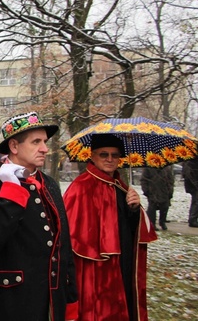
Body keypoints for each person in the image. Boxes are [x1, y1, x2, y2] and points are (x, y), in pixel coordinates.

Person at [0, 112, 78, 321]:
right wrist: (11, 189)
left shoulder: (50, 184)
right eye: (36, 142)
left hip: (47, 300)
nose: (45, 149)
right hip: (4, 303)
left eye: (45, 142)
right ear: (14, 146)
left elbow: (63, 244)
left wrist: (70, 296)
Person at [63, 133, 157, 321]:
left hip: (123, 261)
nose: (110, 159)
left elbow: (130, 227)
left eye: (115, 155)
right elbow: (70, 234)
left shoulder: (120, 186)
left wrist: (134, 209)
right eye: (104, 154)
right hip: (94, 268)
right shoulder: (81, 187)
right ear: (92, 156)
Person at [141, 165, 174, 230]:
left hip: (164, 190)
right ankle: (152, 223)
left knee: (164, 207)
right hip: (152, 190)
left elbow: (171, 180)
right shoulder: (148, 168)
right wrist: (146, 190)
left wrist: (170, 190)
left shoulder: (166, 168)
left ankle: (162, 222)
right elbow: (144, 180)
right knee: (152, 208)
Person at [181, 158, 198, 227]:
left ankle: (193, 219)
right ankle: (192, 220)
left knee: (195, 202)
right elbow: (190, 176)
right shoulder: (191, 163)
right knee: (196, 202)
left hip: (193, 185)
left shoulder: (190, 162)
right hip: (194, 186)